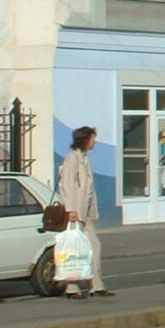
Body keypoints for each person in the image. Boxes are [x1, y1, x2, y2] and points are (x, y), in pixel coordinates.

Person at [59, 125, 113, 299]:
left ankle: (96, 285)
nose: (94, 142)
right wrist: (70, 209)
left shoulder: (85, 158)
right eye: (92, 138)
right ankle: (72, 288)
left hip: (85, 212)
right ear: (85, 139)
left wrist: (90, 209)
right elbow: (67, 185)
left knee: (94, 246)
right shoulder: (72, 158)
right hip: (75, 212)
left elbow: (88, 188)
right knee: (74, 249)